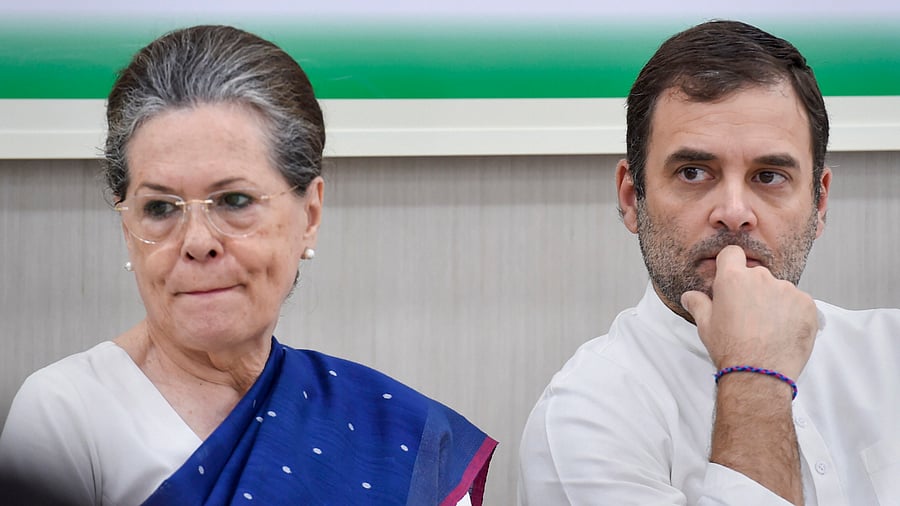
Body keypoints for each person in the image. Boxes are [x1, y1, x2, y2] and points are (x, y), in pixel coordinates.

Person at [0, 25, 496, 505]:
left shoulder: (394, 432)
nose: (197, 242)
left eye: (234, 200)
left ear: (310, 215)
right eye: (161, 207)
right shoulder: (68, 414)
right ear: (128, 228)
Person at [519, 20, 900, 505]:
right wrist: (755, 375)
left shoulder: (890, 353)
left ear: (819, 203)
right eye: (693, 172)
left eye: (769, 176)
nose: (735, 213)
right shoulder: (584, 416)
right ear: (632, 198)